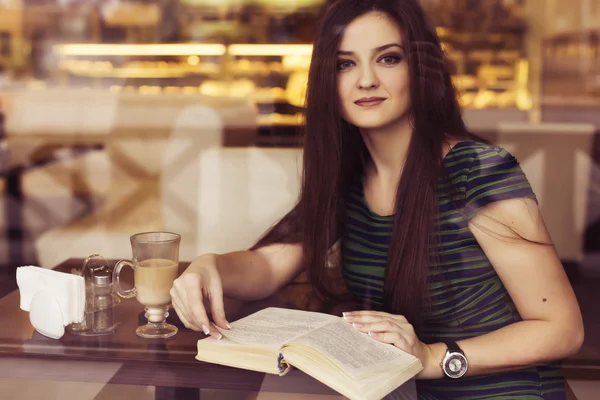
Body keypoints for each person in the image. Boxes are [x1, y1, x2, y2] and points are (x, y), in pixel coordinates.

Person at [170, 0, 584, 398]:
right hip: (400, 388)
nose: (366, 79)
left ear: (420, 69)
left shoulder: (477, 170)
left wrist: (432, 358)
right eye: (345, 64)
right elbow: (266, 266)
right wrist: (210, 265)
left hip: (499, 392)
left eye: (388, 58)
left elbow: (561, 328)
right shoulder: (348, 179)